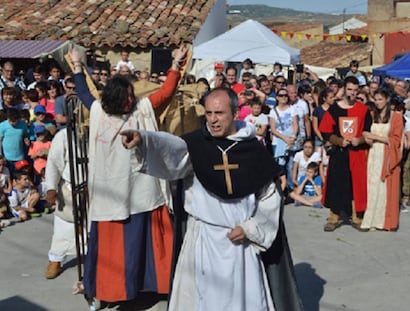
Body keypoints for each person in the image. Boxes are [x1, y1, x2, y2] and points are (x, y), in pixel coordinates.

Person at [120, 87, 302, 311]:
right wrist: (144, 140)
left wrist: (251, 228)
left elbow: (269, 197)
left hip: (239, 244)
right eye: (208, 114)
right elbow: (170, 148)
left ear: (235, 114)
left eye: (220, 113)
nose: (213, 120)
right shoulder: (196, 145)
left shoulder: (253, 150)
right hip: (202, 240)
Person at [69, 45, 187, 304]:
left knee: (141, 239)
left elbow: (166, 93)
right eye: (128, 96)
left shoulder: (139, 110)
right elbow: (83, 93)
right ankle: (112, 290)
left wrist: (176, 64)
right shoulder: (101, 111)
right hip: (111, 192)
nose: (132, 99)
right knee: (115, 248)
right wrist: (77, 66)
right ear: (116, 97)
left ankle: (151, 286)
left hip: (141, 188)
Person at [319, 76, 372, 232]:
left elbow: (368, 132)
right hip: (339, 153)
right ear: (344, 90)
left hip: (357, 153)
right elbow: (326, 132)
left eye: (356, 90)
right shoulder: (335, 109)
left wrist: (360, 139)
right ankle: (334, 216)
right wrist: (339, 141)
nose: (352, 93)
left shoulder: (363, 110)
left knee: (356, 183)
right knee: (336, 183)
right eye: (349, 89)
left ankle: (357, 216)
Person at [361, 89, 404, 231]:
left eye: (380, 99)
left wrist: (375, 137)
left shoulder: (396, 117)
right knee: (371, 187)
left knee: (384, 188)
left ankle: (383, 222)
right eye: (376, 99)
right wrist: (367, 138)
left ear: (386, 99)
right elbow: (365, 133)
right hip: (372, 154)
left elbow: (396, 140)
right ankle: (370, 220)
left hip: (387, 155)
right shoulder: (372, 115)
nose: (378, 102)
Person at [43, 128, 83, 279]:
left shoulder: (102, 130)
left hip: (96, 190)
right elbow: (53, 162)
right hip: (70, 188)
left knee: (92, 230)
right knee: (64, 229)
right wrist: (51, 188)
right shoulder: (64, 135)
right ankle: (55, 260)